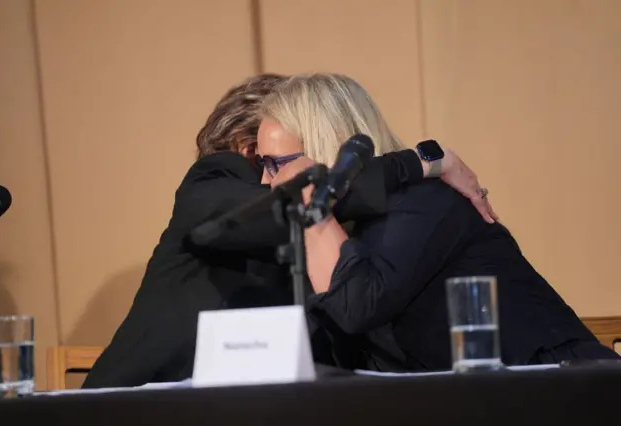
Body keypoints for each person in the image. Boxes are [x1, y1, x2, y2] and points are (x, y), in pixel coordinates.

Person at [82, 73, 496, 388]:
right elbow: (297, 199)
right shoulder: (212, 181)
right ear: (251, 146)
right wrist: (419, 163)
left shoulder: (328, 224)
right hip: (133, 404)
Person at [257, 73, 619, 371]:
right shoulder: (339, 226)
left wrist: (309, 196)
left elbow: (353, 307)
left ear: (326, 148)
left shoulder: (422, 203)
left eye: (275, 164)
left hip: (564, 391)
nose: (264, 182)